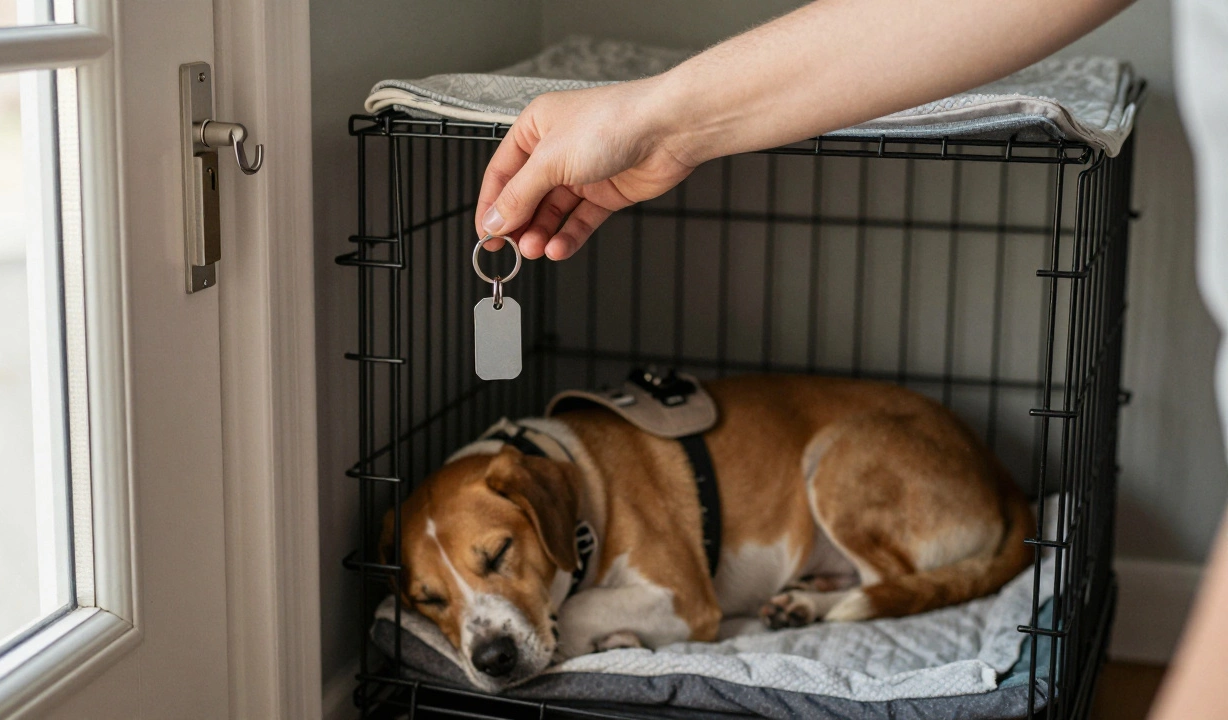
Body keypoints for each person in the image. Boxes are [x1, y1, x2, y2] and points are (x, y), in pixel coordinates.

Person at [473, 0, 1228, 717]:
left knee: (844, 467)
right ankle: (846, 588)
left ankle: (870, 587)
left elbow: (690, 610)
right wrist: (661, 123)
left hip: (920, 497)